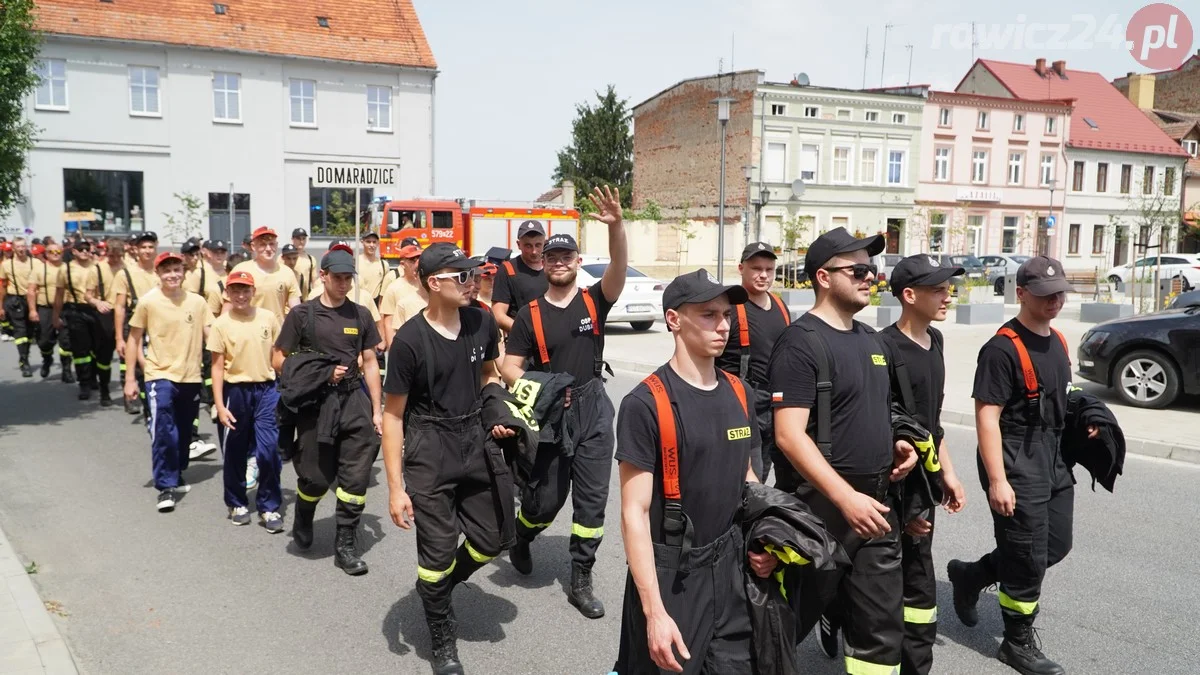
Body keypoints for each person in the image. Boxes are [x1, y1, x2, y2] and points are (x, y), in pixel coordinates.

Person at [766, 226, 916, 675]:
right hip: (821, 508)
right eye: (858, 269)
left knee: (880, 631)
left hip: (874, 505)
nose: (869, 277)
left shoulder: (872, 341)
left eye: (872, 270)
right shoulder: (800, 343)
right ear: (823, 277)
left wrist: (898, 442)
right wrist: (843, 498)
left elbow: (874, 409)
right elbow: (789, 435)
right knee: (782, 624)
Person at [613, 268, 773, 674]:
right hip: (675, 576)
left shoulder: (740, 391)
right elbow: (634, 513)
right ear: (673, 320)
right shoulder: (645, 404)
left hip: (732, 566)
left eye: (726, 315)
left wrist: (764, 540)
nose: (723, 326)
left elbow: (749, 481)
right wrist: (654, 613)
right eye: (708, 315)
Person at [948, 256, 1093, 675]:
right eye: (1046, 296)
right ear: (1022, 293)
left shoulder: (1059, 341)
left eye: (1060, 294)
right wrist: (997, 480)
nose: (1055, 302)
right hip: (1014, 456)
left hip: (1053, 455)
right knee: (1027, 555)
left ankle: (972, 575)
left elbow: (1066, 394)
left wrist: (1092, 421)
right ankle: (1016, 643)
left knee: (1055, 545)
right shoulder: (1000, 349)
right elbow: (986, 417)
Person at [381, 242, 511, 674]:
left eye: (473, 274)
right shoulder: (408, 342)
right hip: (429, 446)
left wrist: (496, 406)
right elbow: (394, 415)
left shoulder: (481, 321)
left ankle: (438, 587)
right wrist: (396, 489)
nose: (472, 282)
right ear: (433, 283)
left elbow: (489, 373)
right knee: (435, 555)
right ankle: (441, 633)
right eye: (462, 276)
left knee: (493, 539)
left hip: (475, 437)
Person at [499, 186, 627, 618]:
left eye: (565, 257)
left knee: (592, 500)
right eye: (551, 257)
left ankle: (581, 577)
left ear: (576, 261)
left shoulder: (596, 299)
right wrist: (536, 387)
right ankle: (522, 533)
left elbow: (619, 267)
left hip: (592, 407)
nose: (558, 262)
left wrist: (616, 226)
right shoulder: (528, 314)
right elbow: (509, 366)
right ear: (544, 263)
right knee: (545, 502)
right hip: (551, 412)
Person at [837, 254, 968, 675]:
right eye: (938, 289)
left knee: (919, 588)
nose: (947, 296)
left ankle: (916, 664)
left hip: (925, 485)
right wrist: (907, 507)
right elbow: (888, 433)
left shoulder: (937, 342)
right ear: (909, 296)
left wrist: (947, 471)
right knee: (896, 587)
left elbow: (931, 423)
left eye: (948, 288)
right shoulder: (883, 348)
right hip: (895, 490)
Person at [271, 246, 383, 576]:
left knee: (355, 478)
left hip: (353, 401)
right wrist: (318, 372)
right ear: (323, 276)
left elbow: (372, 362)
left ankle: (345, 546)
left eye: (349, 278)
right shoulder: (302, 315)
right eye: (338, 277)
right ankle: (304, 513)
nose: (344, 283)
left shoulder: (361, 315)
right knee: (316, 478)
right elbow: (278, 359)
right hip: (315, 405)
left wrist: (377, 409)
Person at [125, 252, 212, 513]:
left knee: (184, 431)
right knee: (164, 428)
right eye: (167, 270)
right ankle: (165, 486)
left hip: (191, 376)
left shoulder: (197, 303)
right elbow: (134, 339)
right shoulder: (148, 302)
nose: (172, 275)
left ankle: (177, 471)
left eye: (177, 269)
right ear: (158, 274)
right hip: (158, 375)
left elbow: (212, 334)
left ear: (183, 272)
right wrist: (131, 378)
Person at [209, 270, 284, 533]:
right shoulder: (221, 324)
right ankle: (236, 502)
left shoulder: (267, 318)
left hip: (266, 390)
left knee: (269, 449)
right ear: (227, 293)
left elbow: (279, 354)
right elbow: (217, 368)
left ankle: (269, 505)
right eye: (235, 290)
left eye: (245, 290)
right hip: (234, 392)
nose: (240, 295)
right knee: (235, 451)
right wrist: (219, 406)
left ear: (253, 292)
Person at [716, 241, 792, 482]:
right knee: (749, 480)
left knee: (775, 477)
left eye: (769, 269)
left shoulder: (780, 306)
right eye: (756, 268)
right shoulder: (729, 308)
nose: (763, 275)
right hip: (742, 403)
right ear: (741, 268)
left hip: (777, 403)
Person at [113, 231, 160, 417]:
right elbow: (119, 307)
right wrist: (119, 338)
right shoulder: (125, 274)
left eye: (150, 246)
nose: (147, 251)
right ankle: (142, 403)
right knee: (138, 367)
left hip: (159, 323)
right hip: (135, 322)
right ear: (136, 249)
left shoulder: (162, 271)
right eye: (143, 247)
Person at [51, 240, 99, 400]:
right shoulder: (66, 269)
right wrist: (56, 316)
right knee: (81, 349)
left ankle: (93, 376)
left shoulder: (98, 265)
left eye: (87, 249)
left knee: (97, 347)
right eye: (81, 249)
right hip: (76, 310)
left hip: (96, 310)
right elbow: (59, 294)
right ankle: (84, 382)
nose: (85, 251)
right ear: (74, 252)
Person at [84, 238, 126, 405]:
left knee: (126, 355)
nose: (114, 259)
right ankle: (104, 389)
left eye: (118, 256)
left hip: (125, 312)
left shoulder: (128, 268)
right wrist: (97, 302)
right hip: (106, 313)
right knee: (104, 355)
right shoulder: (97, 270)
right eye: (111, 256)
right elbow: (87, 295)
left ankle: (127, 393)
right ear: (105, 253)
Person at [26, 242, 74, 381]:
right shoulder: (39, 269)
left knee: (66, 341)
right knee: (44, 340)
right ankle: (47, 359)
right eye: (51, 252)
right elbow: (31, 290)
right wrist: (32, 310)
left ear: (62, 253)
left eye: (58, 252)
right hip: (45, 308)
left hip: (66, 308)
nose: (55, 254)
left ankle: (66, 369)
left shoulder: (68, 268)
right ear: (46, 254)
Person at [231, 227, 301, 321]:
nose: (268, 249)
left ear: (276, 245)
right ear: (253, 246)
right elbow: (228, 305)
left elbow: (296, 309)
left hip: (277, 332)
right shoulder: (241, 270)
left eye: (271, 244)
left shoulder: (287, 273)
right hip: (247, 331)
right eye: (262, 244)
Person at [490, 220, 547, 333]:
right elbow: (498, 314)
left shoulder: (553, 267)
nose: (534, 251)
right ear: (518, 244)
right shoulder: (508, 269)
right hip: (524, 343)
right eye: (528, 246)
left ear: (545, 243)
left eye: (538, 245)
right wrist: (529, 333)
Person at [0, 237, 37, 376]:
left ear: (26, 247)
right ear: (14, 249)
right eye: (18, 247)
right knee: (20, 331)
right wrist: (1, 307)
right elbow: (2, 287)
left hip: (32, 300)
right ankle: (24, 360)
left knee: (29, 332)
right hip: (14, 299)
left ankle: (26, 354)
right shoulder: (6, 265)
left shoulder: (36, 263)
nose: (21, 249)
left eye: (23, 246)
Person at [379, 242, 426, 350]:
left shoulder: (426, 285)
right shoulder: (393, 288)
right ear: (402, 264)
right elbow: (389, 322)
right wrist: (393, 348)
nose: (417, 264)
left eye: (419, 259)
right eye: (412, 260)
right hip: (405, 344)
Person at [356, 231, 390, 306]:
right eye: (368, 242)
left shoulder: (384, 265)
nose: (372, 245)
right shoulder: (355, 263)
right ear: (362, 242)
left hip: (376, 305)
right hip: (359, 304)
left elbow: (385, 291)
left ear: (378, 243)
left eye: (374, 242)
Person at [291, 228, 317, 295]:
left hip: (305, 299)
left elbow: (314, 282)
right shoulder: (283, 257)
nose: (301, 241)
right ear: (292, 239)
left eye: (303, 239)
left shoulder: (311, 259)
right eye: (298, 239)